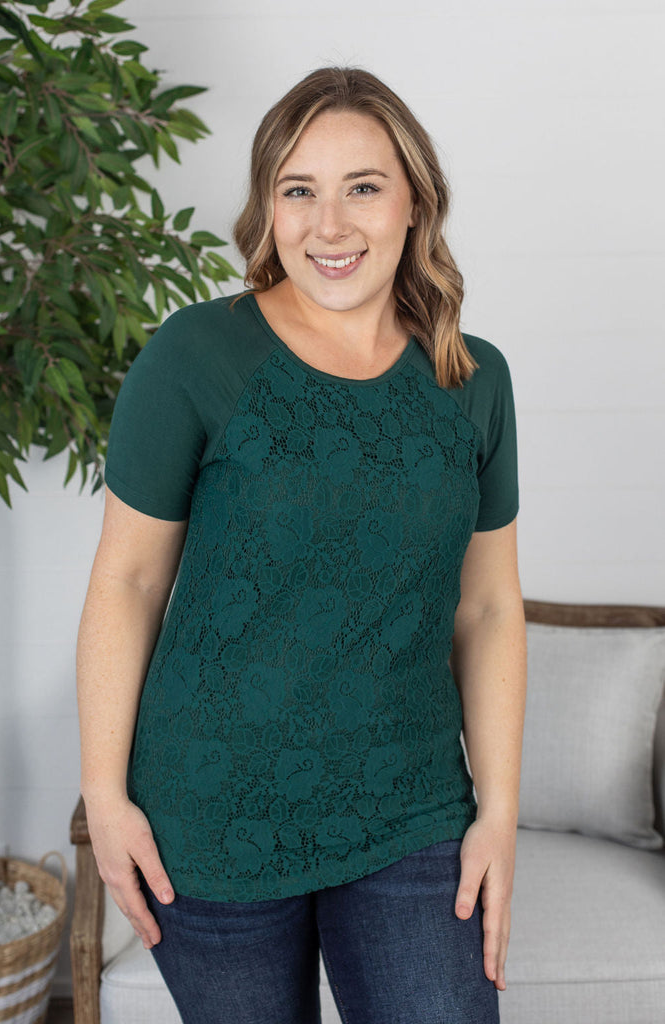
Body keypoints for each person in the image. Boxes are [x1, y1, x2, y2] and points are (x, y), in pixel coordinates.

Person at [77, 66, 527, 1024]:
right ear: (268, 208)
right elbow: (127, 582)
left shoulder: (473, 380)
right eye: (298, 190)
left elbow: (487, 607)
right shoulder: (196, 354)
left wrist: (498, 812)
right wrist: (104, 798)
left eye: (362, 187)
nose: (329, 225)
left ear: (415, 202)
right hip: (210, 816)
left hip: (409, 807)